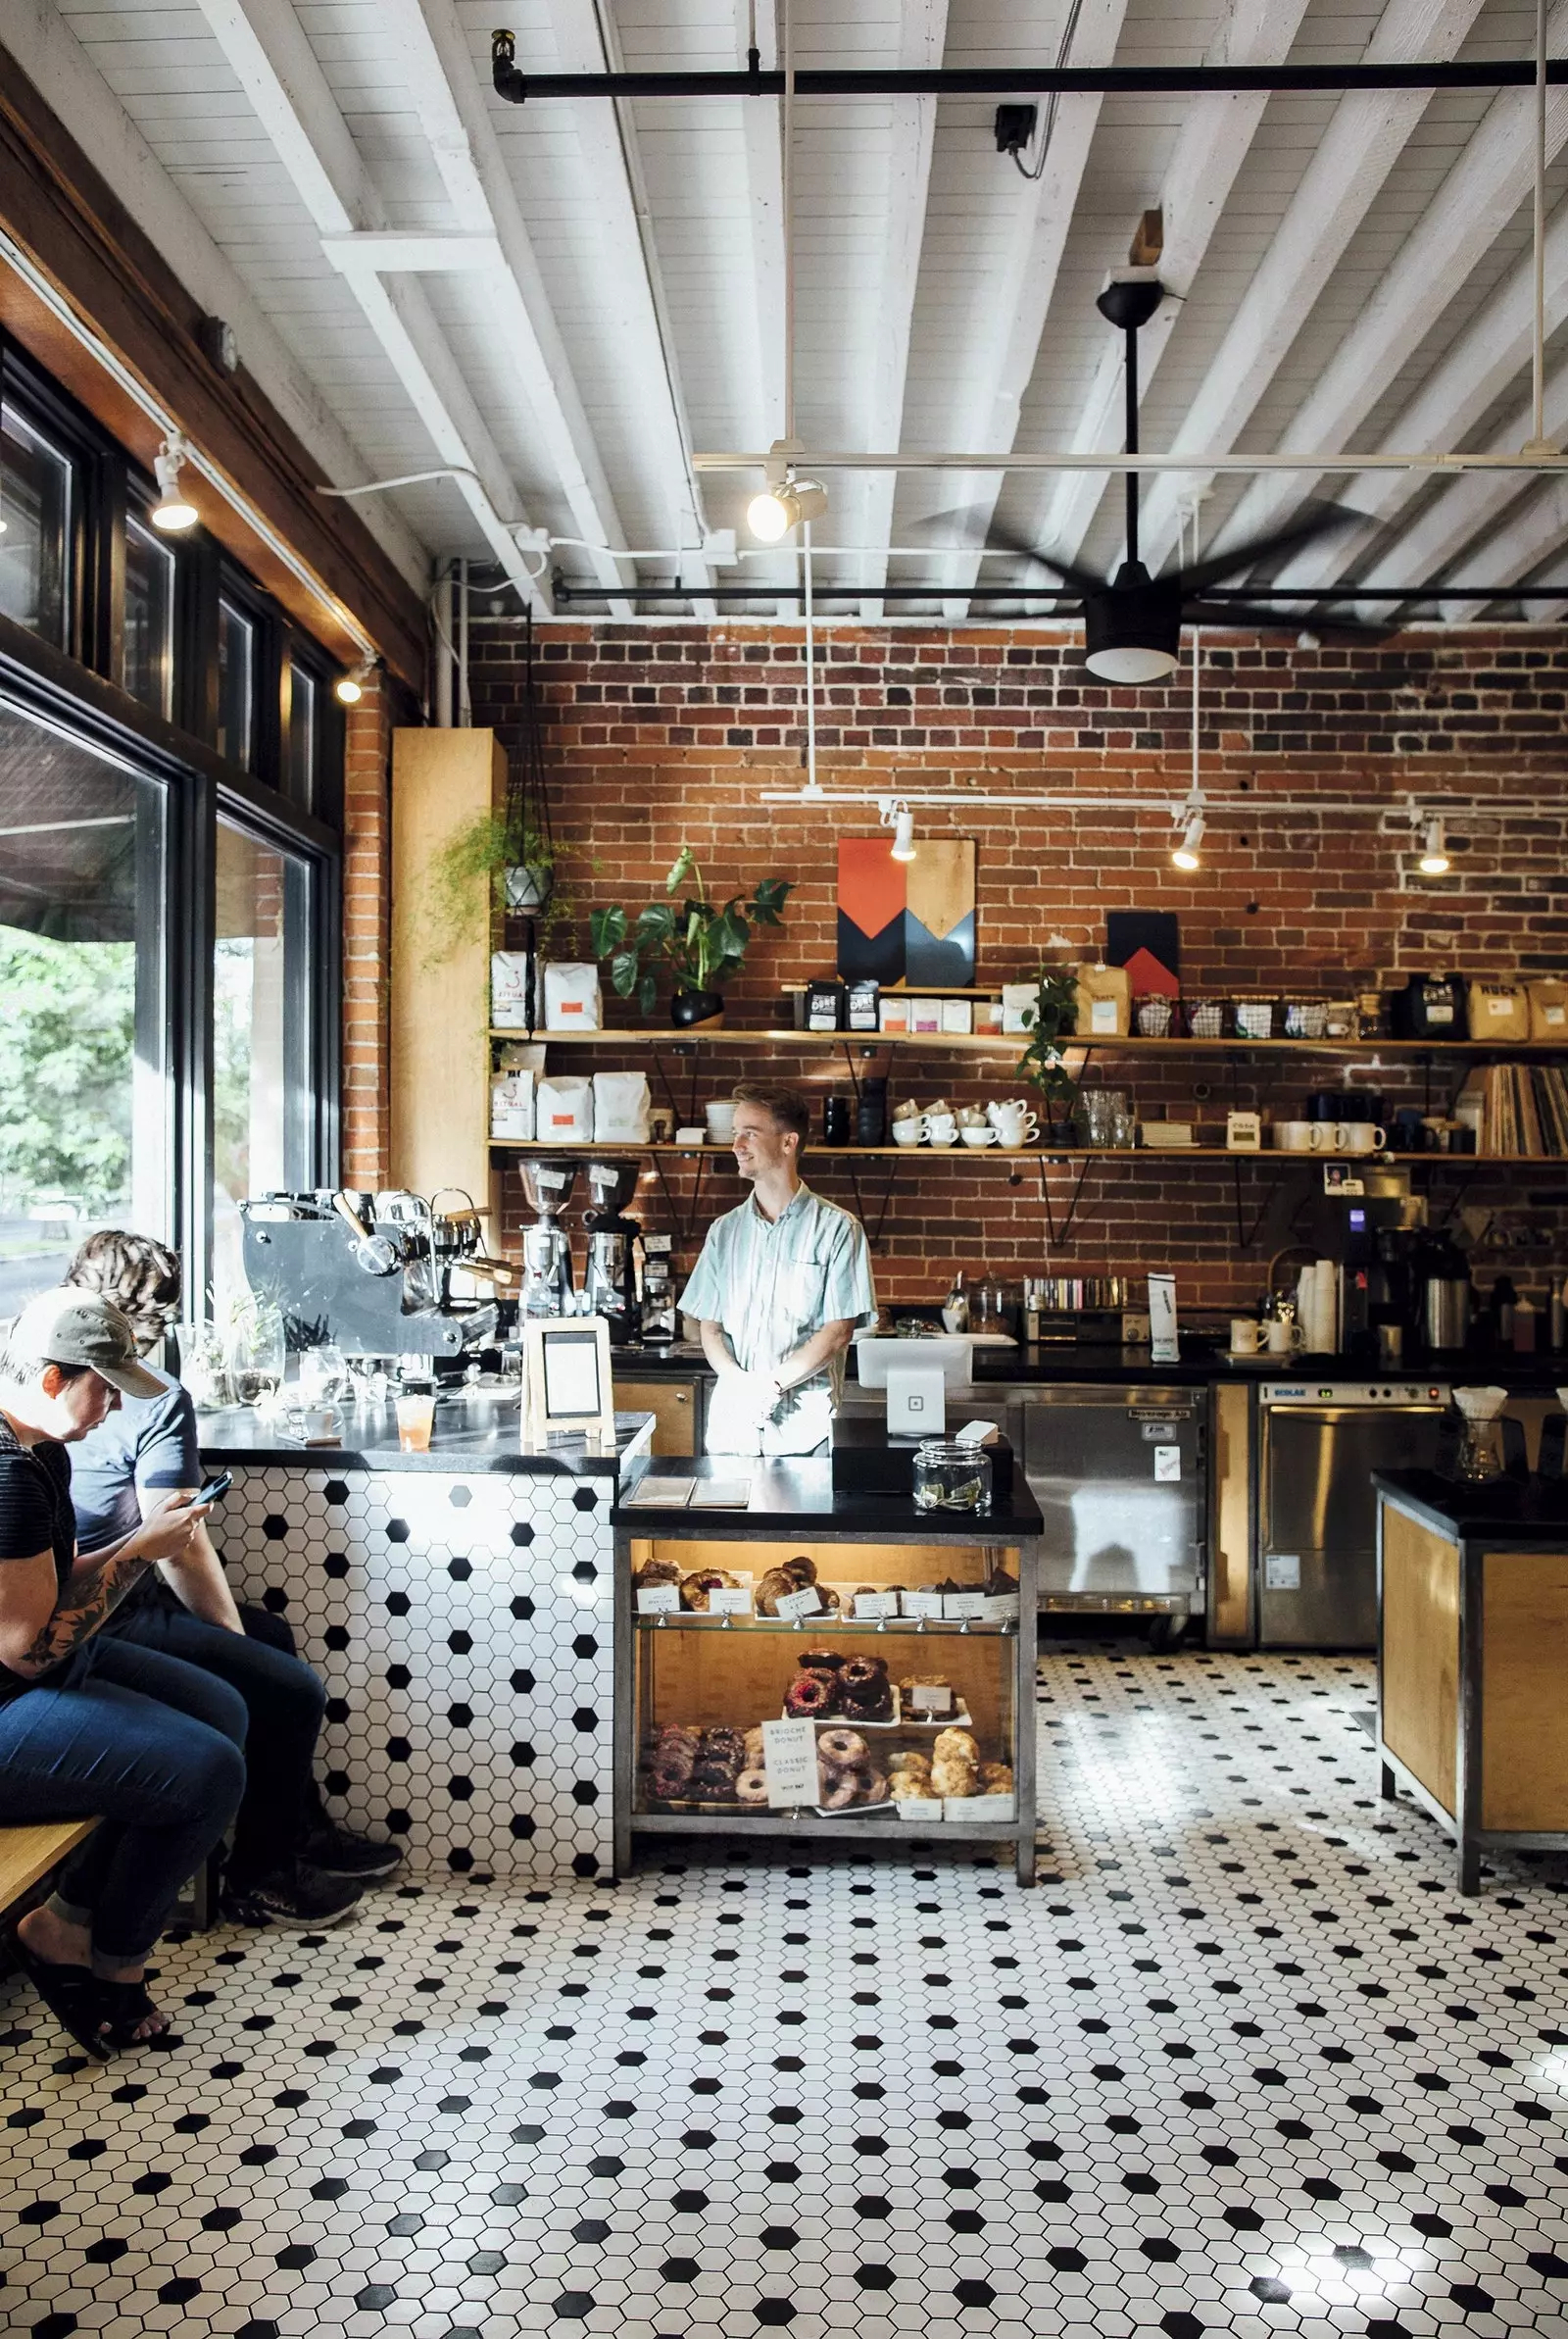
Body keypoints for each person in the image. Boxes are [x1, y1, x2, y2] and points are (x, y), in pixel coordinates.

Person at [64, 1230, 401, 1926]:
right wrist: (230, 1641)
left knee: (271, 1634)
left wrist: (245, 1639)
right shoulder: (153, 1393)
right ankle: (262, 1875)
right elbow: (178, 1547)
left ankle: (295, 1832)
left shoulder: (32, 1364)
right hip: (107, 1609)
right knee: (284, 1686)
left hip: (90, 1593)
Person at [0, 1289, 245, 2058]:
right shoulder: (9, 1475)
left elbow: (50, 1580)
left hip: (34, 1675)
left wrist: (143, 1540)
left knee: (225, 1710)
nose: (113, 1405)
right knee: (206, 1770)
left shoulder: (43, 1449)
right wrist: (140, 1551)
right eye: (102, 1386)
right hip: (13, 1694)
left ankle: (64, 1920)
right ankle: (112, 1968)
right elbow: (28, 1648)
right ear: (48, 1378)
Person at [680, 1082, 876, 1456]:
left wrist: (768, 1387)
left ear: (788, 1143)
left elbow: (837, 1333)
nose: (736, 1145)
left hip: (805, 1434)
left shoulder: (838, 1229)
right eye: (735, 1134)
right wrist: (738, 1383)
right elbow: (710, 1325)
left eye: (749, 1135)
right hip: (730, 1431)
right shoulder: (724, 1231)